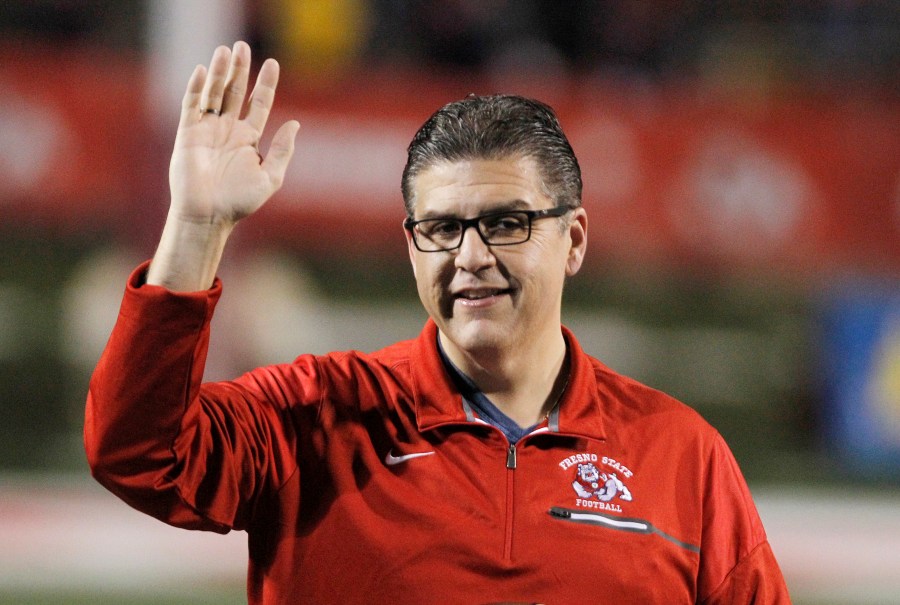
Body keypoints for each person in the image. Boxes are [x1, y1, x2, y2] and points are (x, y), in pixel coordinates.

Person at [85, 41, 791, 604]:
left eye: (505, 223)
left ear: (574, 240)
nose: (469, 256)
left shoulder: (683, 455)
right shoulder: (315, 415)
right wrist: (196, 228)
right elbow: (139, 454)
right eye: (441, 228)